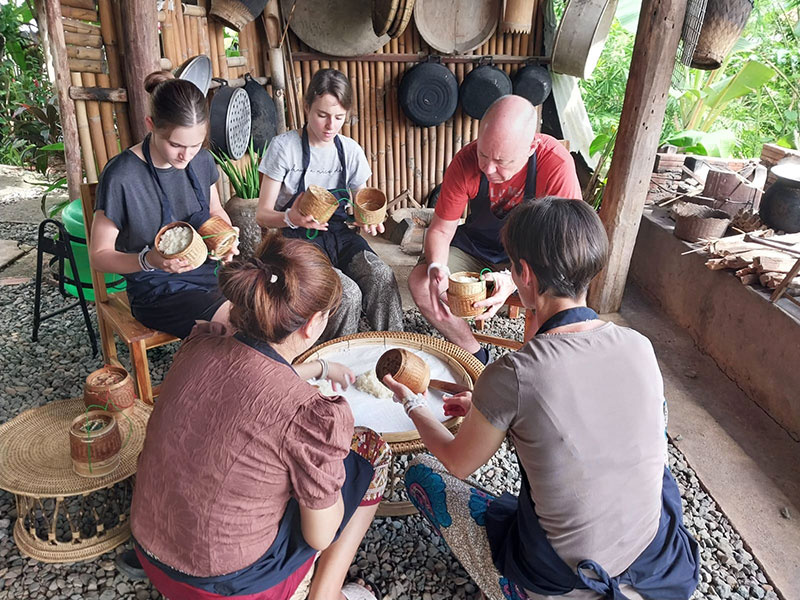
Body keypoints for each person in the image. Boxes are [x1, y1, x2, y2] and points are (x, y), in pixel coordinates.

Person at [383, 198, 700, 600]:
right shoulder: (638, 344)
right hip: (659, 566)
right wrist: (502, 418)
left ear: (524, 274)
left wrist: (412, 403)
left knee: (422, 474)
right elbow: (580, 417)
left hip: (570, 586)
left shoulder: (514, 372)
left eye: (512, 265)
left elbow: (457, 461)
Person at [130, 233, 391, 600]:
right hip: (226, 585)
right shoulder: (310, 413)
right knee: (371, 450)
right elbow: (320, 535)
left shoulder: (200, 343)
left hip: (151, 551)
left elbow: (248, 385)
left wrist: (317, 368)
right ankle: (326, 592)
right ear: (315, 323)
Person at [408, 95, 582, 364]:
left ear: (531, 146)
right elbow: (441, 231)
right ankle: (475, 353)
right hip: (477, 245)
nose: (488, 168)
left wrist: (514, 278)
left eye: (502, 161)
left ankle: (532, 365)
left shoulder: (556, 165)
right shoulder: (465, 162)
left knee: (552, 298)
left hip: (532, 256)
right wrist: (437, 268)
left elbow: (563, 245)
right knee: (421, 283)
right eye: (483, 154)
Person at [256, 68, 403, 340]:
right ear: (306, 107)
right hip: (297, 241)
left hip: (341, 236)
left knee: (382, 275)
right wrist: (291, 217)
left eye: (338, 117)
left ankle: (393, 352)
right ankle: (335, 365)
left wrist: (367, 220)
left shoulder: (350, 151)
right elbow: (262, 215)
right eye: (321, 115)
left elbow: (362, 204)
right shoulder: (284, 148)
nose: (330, 126)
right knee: (346, 293)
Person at [89, 70, 238, 339]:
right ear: (150, 124)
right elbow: (99, 256)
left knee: (269, 306)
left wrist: (225, 239)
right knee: (236, 328)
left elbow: (215, 211)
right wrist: (149, 260)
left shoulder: (201, 160)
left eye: (195, 145)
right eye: (176, 144)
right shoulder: (122, 176)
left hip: (209, 276)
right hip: (156, 290)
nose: (186, 155)